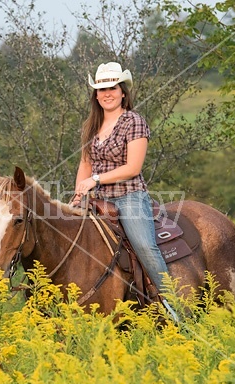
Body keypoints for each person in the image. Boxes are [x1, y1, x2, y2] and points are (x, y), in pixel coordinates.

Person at [73, 62, 179, 321]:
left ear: (123, 91)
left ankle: (173, 306)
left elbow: (132, 167)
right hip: (96, 199)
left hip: (128, 196)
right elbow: (84, 164)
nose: (106, 93)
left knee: (144, 245)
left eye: (112, 88)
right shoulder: (91, 125)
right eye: (101, 89)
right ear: (95, 95)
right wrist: (77, 195)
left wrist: (96, 180)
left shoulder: (133, 121)